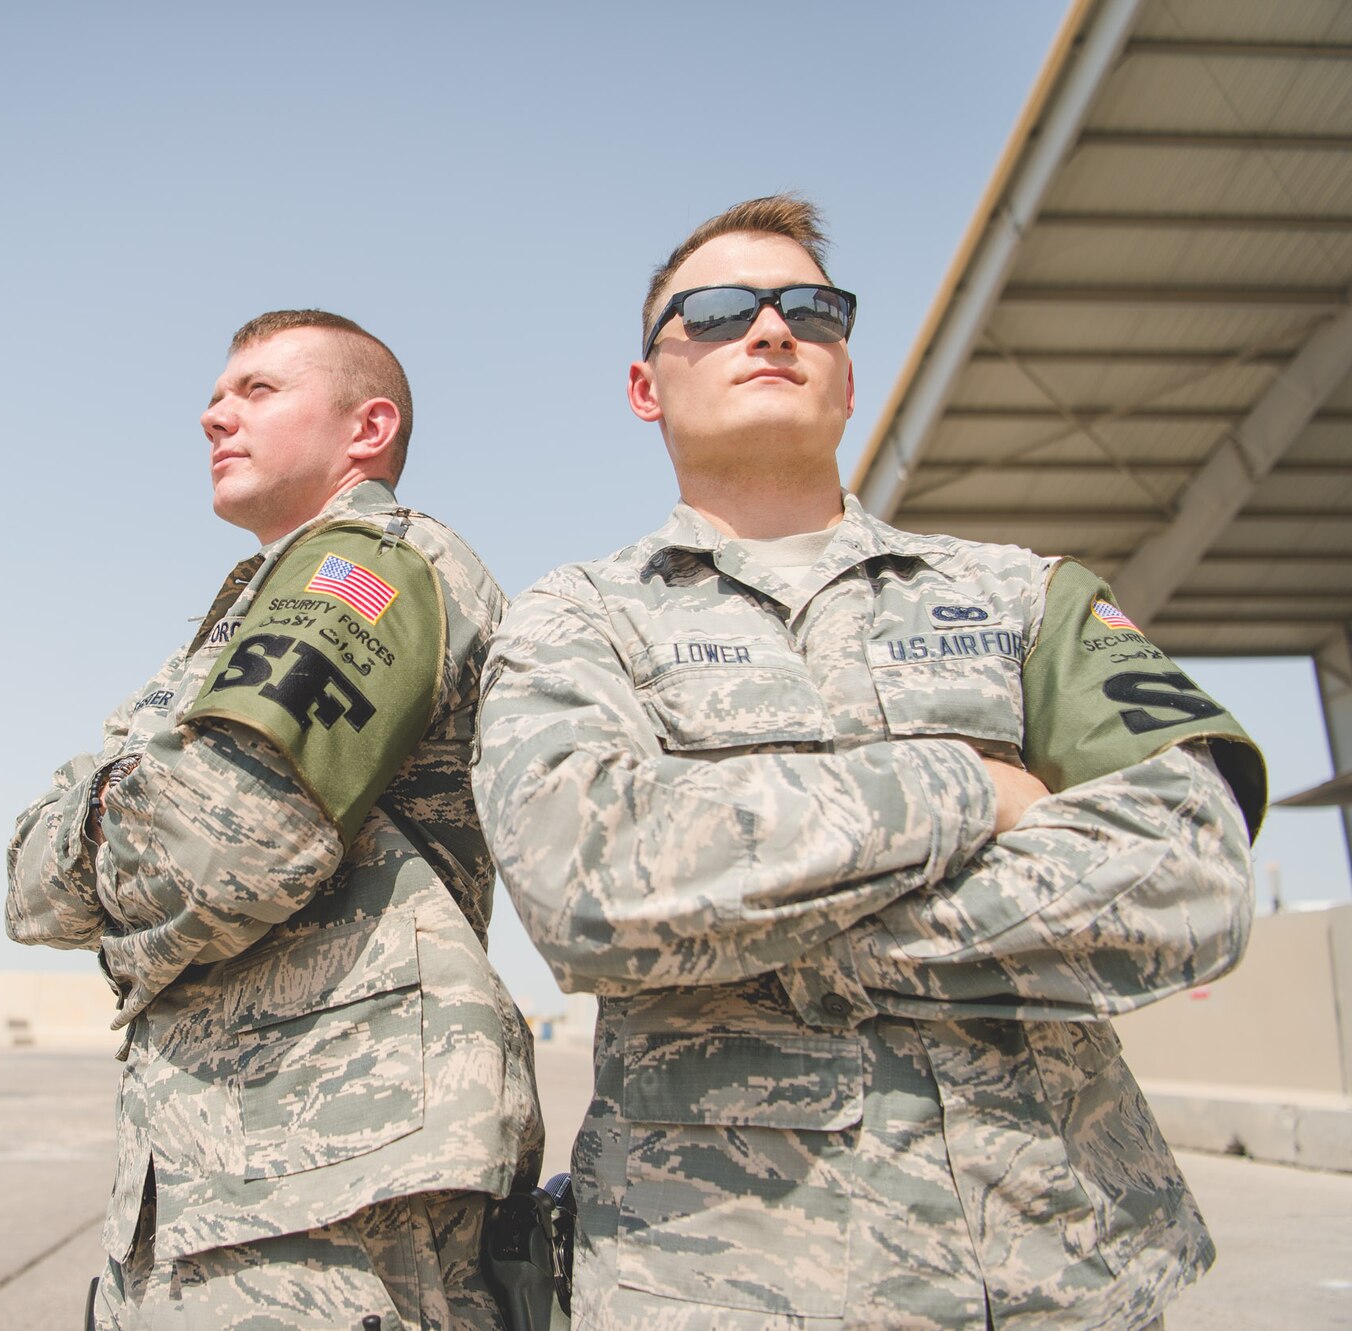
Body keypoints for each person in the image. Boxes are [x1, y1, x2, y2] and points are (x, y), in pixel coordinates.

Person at [470, 196, 1265, 1331]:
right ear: (645, 387)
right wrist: (966, 788)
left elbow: (1194, 875)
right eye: (713, 311)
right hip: (720, 1284)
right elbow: (588, 886)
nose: (770, 328)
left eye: (810, 308)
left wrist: (761, 935)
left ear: (846, 375)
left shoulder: (1023, 595)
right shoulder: (575, 619)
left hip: (1055, 1273)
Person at [7, 309, 543, 1331]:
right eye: (215, 395)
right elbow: (34, 880)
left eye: (257, 390)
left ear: (366, 428)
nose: (216, 414)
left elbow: (217, 848)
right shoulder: (258, 598)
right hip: (243, 1170)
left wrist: (95, 813)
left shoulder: (366, 567)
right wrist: (124, 814)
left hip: (326, 1182)